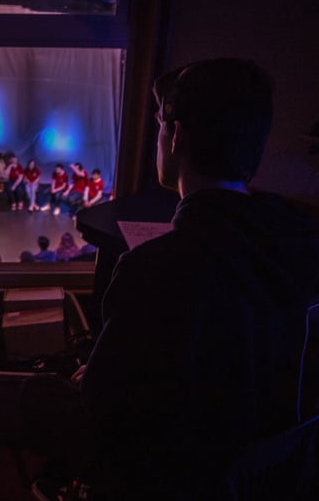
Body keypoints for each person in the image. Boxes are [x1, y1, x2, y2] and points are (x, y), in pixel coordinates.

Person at [34, 58, 319, 500]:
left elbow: (105, 405)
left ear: (177, 136)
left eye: (159, 127)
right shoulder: (303, 241)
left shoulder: (152, 270)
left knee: (37, 398)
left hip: (182, 477)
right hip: (275, 472)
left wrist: (92, 377)